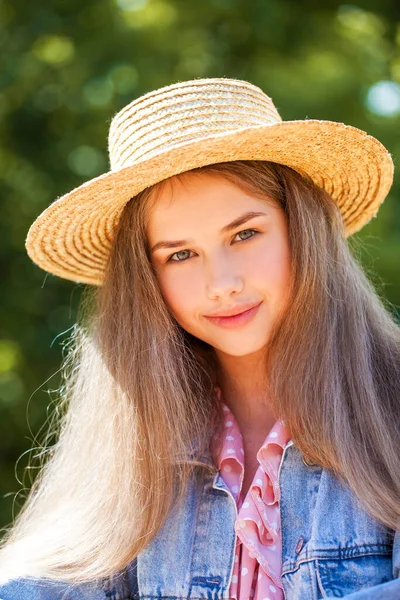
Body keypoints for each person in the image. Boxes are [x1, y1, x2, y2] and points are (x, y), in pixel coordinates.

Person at [0, 77, 399, 600]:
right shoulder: (135, 446)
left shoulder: (387, 405)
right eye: (180, 255)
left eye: (245, 234)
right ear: (147, 279)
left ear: (302, 230)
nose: (222, 284)